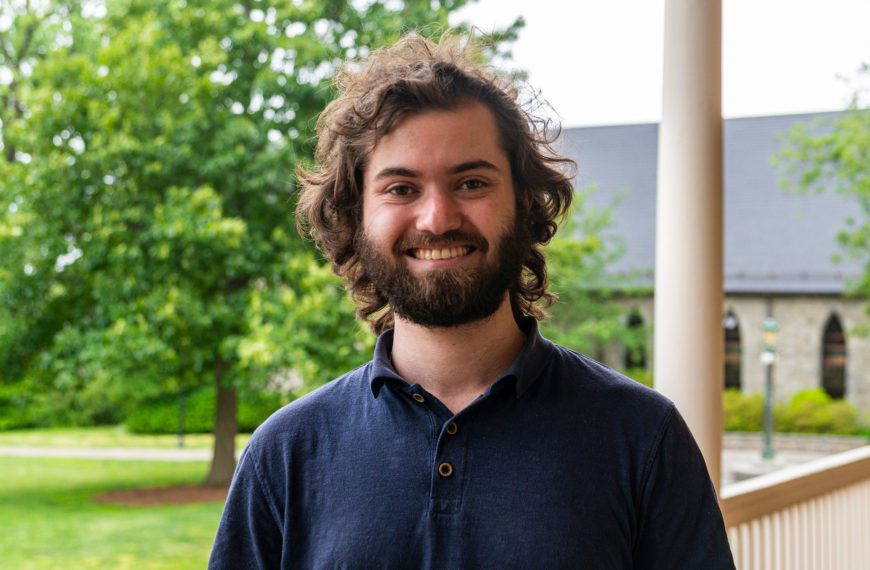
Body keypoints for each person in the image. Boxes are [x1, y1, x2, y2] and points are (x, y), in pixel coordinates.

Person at [209, 32, 735, 569]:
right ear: (355, 213)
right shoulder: (285, 455)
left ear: (525, 201)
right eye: (400, 188)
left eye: (471, 183)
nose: (437, 219)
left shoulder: (643, 440)